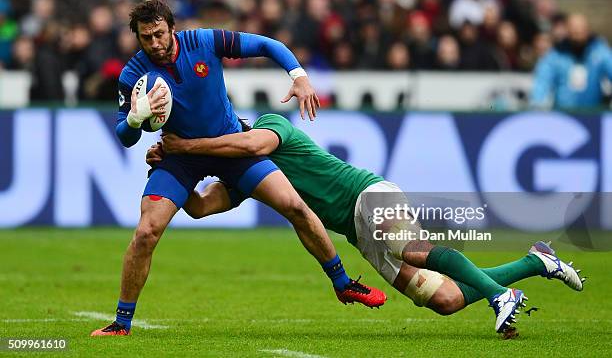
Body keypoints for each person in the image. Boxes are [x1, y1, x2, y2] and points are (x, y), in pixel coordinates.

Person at [91, 0, 386, 336]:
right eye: (147, 38)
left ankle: (343, 283)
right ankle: (121, 323)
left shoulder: (204, 42)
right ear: (138, 38)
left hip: (231, 147)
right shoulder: (133, 75)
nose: (155, 43)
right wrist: (134, 117)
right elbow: (125, 137)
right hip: (179, 156)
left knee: (294, 206)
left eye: (160, 33)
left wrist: (299, 76)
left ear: (173, 27)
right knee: (145, 232)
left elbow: (265, 44)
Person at [150, 114, 586, 334]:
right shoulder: (248, 180)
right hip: (357, 233)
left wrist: (187, 144)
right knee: (445, 300)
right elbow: (201, 208)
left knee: (410, 249)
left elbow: (251, 143)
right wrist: (174, 169)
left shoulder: (269, 125)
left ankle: (500, 296)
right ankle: (536, 262)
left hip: (367, 193)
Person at [531, 13, 612, 109]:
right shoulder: (556, 55)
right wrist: (537, 105)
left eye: (581, 30)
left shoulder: (600, 52)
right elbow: (542, 82)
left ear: (588, 31)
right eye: (574, 31)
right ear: (567, 31)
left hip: (594, 114)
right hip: (564, 116)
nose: (577, 34)